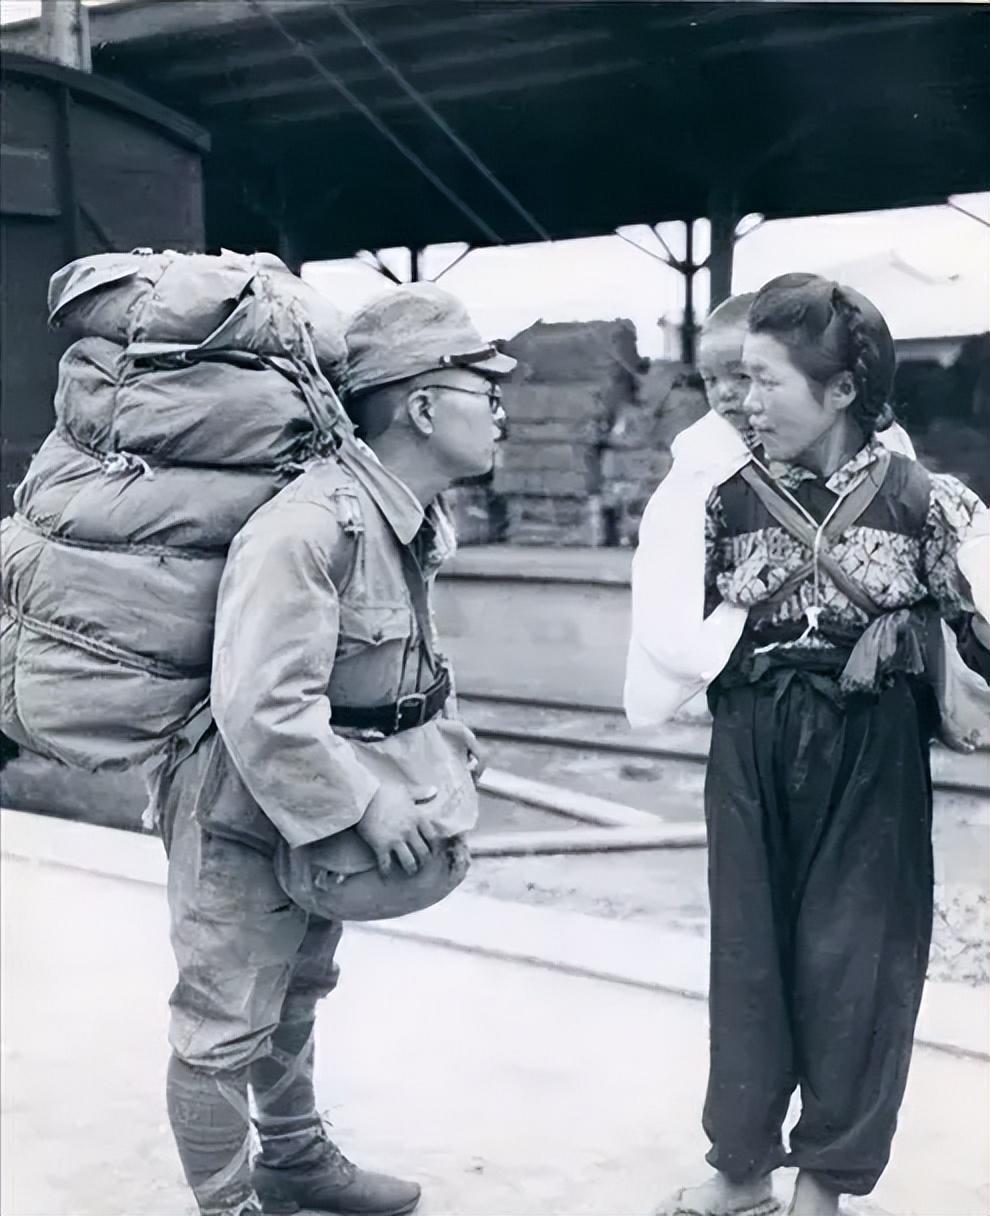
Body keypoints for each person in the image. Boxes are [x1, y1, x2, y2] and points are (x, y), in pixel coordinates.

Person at [155, 283, 514, 1216]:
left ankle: (294, 1160)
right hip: (239, 807)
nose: (502, 409)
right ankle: (228, 1206)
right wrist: (368, 802)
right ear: (425, 407)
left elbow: (392, 662)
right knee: (223, 1023)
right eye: (486, 388)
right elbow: (261, 705)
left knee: (299, 989)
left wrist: (442, 744)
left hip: (304, 801)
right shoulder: (311, 524)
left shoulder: (406, 515)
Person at [655, 273, 990, 1216]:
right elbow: (666, 628)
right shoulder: (715, 497)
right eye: (736, 380)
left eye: (765, 382)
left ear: (842, 390)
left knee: (859, 966)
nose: (741, 402)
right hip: (751, 738)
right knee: (747, 956)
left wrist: (941, 625)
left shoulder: (930, 503)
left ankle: (825, 1184)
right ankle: (742, 1167)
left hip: (868, 748)